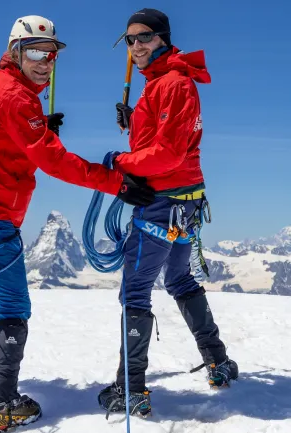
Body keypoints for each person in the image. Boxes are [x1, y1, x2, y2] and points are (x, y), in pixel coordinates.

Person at [0, 15, 155, 433]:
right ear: (15, 52)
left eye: (51, 54)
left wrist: (39, 128)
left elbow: (6, 141)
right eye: (35, 52)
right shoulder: (15, 96)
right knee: (13, 307)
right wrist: (115, 182)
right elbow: (53, 161)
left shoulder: (1, 88)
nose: (45, 61)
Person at [97, 8, 239, 417]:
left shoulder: (173, 83)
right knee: (178, 278)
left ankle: (130, 388)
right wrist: (136, 121)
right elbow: (163, 140)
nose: (136, 45)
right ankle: (217, 361)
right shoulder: (161, 82)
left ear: (163, 38)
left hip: (162, 201)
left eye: (144, 37)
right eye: (130, 40)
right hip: (186, 199)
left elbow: (168, 153)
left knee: (136, 289)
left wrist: (121, 162)